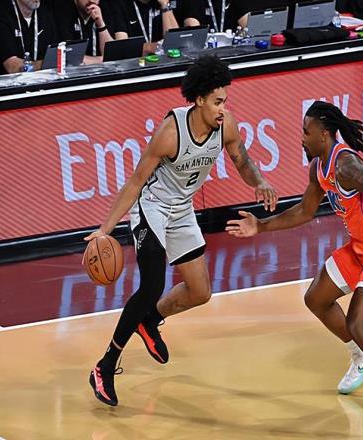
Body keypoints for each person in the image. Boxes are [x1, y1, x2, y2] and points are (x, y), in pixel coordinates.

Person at [226, 101, 363, 438]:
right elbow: (305, 211)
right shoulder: (319, 168)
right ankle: (360, 358)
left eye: (306, 132)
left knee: (357, 323)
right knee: (316, 298)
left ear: (323, 134)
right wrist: (260, 226)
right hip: (359, 248)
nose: (301, 138)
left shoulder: (346, 166)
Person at [86, 54, 277, 407]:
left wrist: (259, 182)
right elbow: (135, 182)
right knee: (152, 284)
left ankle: (149, 321)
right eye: (217, 102)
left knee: (201, 292)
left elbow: (242, 160)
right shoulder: (171, 132)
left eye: (225, 101)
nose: (223, 109)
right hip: (152, 208)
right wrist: (104, 230)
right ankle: (105, 365)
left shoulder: (226, 125)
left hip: (182, 209)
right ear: (199, 99)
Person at [0, 0, 58, 74]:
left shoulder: (45, 13)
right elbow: (12, 67)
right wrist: (49, 64)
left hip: (44, 77)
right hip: (9, 80)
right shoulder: (1, 15)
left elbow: (54, 53)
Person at [52, 0, 117, 60]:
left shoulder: (105, 9)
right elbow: (68, 57)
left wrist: (101, 25)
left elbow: (112, 56)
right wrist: (101, 60)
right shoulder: (62, 11)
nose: (91, 0)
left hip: (101, 68)